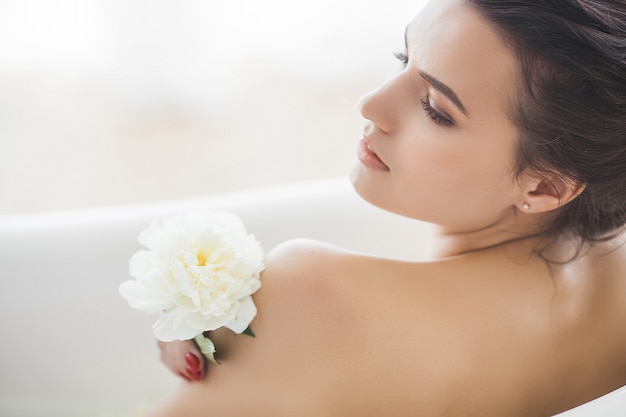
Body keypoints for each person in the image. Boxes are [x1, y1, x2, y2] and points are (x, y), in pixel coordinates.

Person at [147, 0, 626, 415]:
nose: (370, 104)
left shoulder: (309, 295)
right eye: (403, 57)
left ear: (544, 187)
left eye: (436, 109)